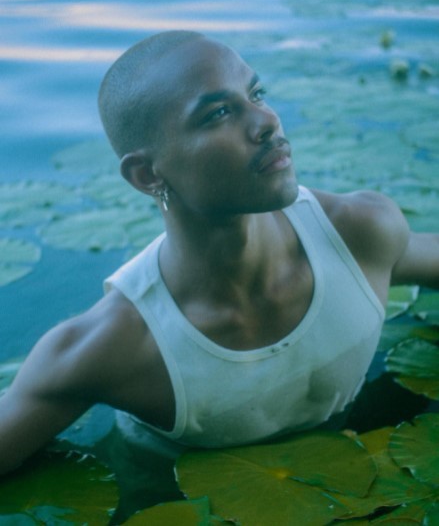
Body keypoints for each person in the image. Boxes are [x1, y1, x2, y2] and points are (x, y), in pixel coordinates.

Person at [1, 30, 438, 476]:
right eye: (220, 113)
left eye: (257, 93)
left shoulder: (360, 233)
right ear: (147, 174)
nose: (266, 120)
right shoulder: (118, 349)